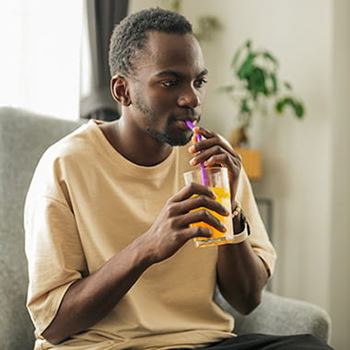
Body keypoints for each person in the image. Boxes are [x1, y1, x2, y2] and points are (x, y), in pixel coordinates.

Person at [24, 7, 333, 350]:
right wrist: (148, 247)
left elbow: (247, 299)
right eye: (170, 82)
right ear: (122, 90)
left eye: (198, 81)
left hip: (203, 343)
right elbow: (52, 324)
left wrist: (228, 208)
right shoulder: (66, 165)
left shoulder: (214, 160)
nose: (192, 99)